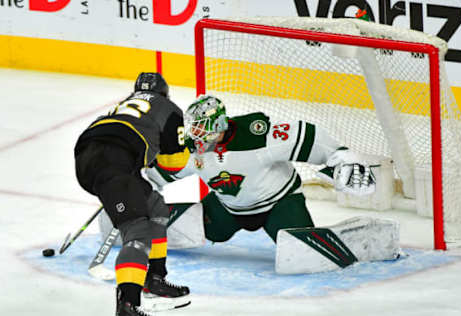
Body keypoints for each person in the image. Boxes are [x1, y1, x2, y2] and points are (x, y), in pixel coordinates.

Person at [145, 95, 378, 248]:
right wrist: (136, 184)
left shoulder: (256, 134)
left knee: (299, 247)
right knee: (209, 231)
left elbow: (306, 135)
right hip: (228, 207)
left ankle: (349, 241)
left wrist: (340, 156)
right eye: (193, 127)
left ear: (219, 124)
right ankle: (140, 220)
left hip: (279, 203)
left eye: (202, 128)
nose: (196, 134)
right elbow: (165, 171)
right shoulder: (192, 147)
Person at [74, 72, 191, 316]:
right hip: (113, 163)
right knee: (137, 230)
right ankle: (128, 304)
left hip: (92, 154)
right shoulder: (169, 108)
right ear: (165, 93)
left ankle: (155, 278)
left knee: (156, 207)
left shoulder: (122, 105)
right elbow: (174, 164)